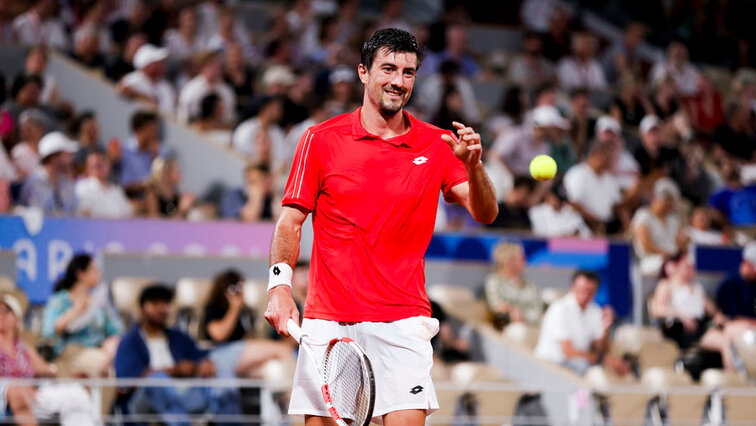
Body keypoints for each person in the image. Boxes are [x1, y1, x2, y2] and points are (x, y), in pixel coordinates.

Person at [264, 28, 498, 426]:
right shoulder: (319, 139)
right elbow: (290, 220)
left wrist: (474, 166)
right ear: (363, 73)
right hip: (329, 322)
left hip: (403, 324)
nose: (398, 81)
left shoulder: (439, 144)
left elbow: (486, 212)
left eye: (408, 72)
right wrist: (279, 288)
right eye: (388, 69)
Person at [114, 284, 236, 423]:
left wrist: (206, 363)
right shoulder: (129, 341)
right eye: (155, 304)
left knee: (221, 375)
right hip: (144, 401)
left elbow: (200, 356)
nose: (162, 309)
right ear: (142, 308)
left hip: (183, 392)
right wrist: (174, 371)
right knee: (157, 380)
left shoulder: (178, 337)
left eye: (165, 304)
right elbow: (127, 382)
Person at [0, 293, 100, 426]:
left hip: (33, 392)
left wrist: (68, 377)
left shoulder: (24, 349)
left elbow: (47, 370)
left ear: (16, 318)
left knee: (77, 393)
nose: (1, 315)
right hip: (7, 392)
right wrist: (18, 386)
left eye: (5, 311)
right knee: (15, 391)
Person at [534, 270, 630, 376]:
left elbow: (600, 350)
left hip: (579, 367)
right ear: (573, 288)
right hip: (552, 366)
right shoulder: (559, 309)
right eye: (582, 290)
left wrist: (605, 329)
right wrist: (599, 359)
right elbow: (569, 352)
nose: (585, 295)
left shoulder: (595, 311)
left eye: (590, 292)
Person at [202, 269, 294, 378]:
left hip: (239, 353)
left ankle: (283, 393)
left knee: (268, 369)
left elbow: (248, 338)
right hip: (221, 355)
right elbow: (219, 335)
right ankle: (294, 392)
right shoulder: (213, 309)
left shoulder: (244, 311)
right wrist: (234, 307)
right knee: (283, 350)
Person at [40, 254, 122, 362]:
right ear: (80, 274)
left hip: (99, 350)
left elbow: (116, 330)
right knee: (101, 361)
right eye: (94, 270)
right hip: (71, 352)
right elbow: (48, 331)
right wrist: (76, 311)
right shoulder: (60, 300)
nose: (99, 274)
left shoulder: (99, 302)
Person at [649, 252, 727, 350]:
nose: (691, 267)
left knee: (731, 337)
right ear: (676, 265)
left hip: (702, 326)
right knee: (725, 343)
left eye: (692, 265)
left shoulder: (697, 287)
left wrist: (718, 316)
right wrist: (682, 316)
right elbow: (658, 309)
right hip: (681, 329)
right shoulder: (666, 285)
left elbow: (711, 309)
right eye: (686, 264)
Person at [563, 142, 627, 235]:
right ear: (594, 154)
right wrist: (595, 222)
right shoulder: (577, 173)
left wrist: (627, 227)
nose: (607, 160)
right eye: (605, 155)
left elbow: (618, 206)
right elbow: (572, 203)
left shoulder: (609, 179)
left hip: (604, 229)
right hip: (577, 227)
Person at [631, 178, 688, 277]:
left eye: (671, 201)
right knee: (672, 267)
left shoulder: (673, 219)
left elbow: (679, 241)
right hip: (650, 260)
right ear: (656, 199)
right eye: (666, 201)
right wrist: (664, 254)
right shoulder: (643, 215)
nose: (669, 205)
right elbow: (645, 244)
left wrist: (684, 242)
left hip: (673, 259)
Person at [484, 242, 543, 329]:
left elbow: (540, 306)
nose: (525, 259)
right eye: (521, 257)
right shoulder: (494, 281)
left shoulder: (530, 285)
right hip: (512, 327)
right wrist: (512, 311)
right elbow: (497, 306)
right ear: (509, 260)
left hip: (537, 325)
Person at [18, 131, 78, 215]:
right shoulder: (32, 184)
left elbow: (75, 215)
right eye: (67, 155)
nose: (70, 160)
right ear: (54, 157)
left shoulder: (68, 185)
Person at [177, 51, 236, 125]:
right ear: (203, 67)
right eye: (213, 66)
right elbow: (184, 120)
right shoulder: (190, 91)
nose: (218, 70)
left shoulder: (227, 91)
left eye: (219, 66)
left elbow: (230, 120)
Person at [117, 44, 176, 115]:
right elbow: (122, 89)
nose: (163, 65)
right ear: (148, 64)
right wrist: (147, 99)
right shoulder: (134, 79)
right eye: (158, 62)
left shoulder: (165, 86)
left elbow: (170, 112)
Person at [75, 151, 133, 219]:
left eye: (102, 164)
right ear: (87, 168)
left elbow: (127, 213)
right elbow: (82, 213)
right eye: (95, 165)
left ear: (108, 166)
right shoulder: (82, 186)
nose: (99, 168)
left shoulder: (116, 190)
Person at [11, 108, 47, 179]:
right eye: (23, 130)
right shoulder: (18, 151)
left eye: (29, 129)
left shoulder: (49, 147)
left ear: (41, 129)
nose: (25, 133)